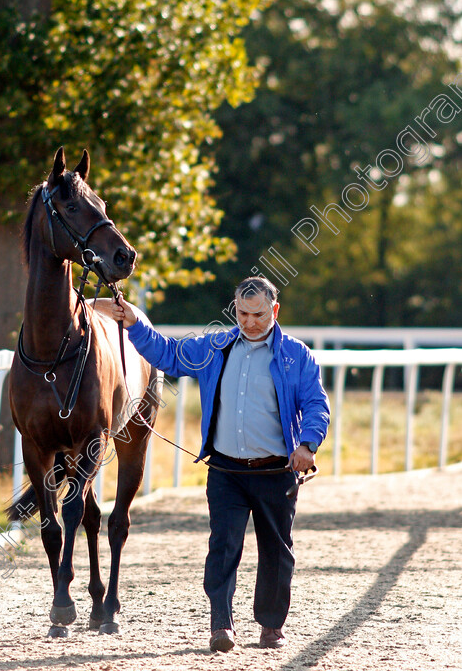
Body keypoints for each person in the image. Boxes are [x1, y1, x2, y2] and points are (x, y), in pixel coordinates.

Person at [108, 275, 330, 652]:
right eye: (242, 314)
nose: (249, 322)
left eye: (258, 314)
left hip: (277, 472)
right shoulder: (215, 347)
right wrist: (134, 323)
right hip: (226, 470)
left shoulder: (297, 355)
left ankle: (271, 626)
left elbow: (315, 405)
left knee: (276, 551)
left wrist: (308, 444)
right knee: (223, 545)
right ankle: (221, 624)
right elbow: (169, 355)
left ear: (274, 311)